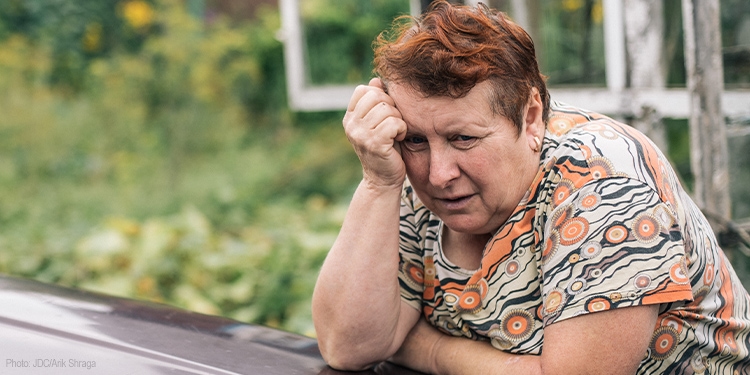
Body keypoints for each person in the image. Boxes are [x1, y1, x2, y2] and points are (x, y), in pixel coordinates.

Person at [311, 1, 750, 374]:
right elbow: (347, 347)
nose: (438, 173)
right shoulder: (412, 171)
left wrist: (426, 347)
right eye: (415, 140)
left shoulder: (604, 188)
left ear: (531, 118)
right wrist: (378, 183)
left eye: (464, 139)